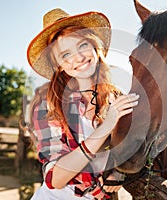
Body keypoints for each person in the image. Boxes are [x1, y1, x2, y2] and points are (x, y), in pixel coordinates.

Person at [26, 8, 139, 200]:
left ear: (95, 46)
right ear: (59, 65)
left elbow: (133, 147)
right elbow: (56, 179)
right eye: (66, 55)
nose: (78, 58)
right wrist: (107, 126)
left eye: (83, 45)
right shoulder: (48, 104)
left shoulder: (116, 98)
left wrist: (120, 172)